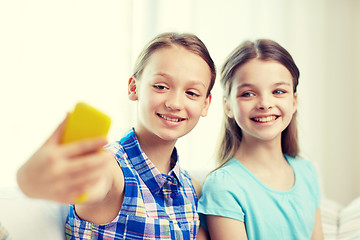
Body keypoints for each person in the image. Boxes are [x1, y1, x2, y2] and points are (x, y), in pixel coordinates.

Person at [17, 32, 216, 240]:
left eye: (192, 93)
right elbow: (87, 184)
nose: (175, 103)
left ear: (205, 104)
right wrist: (30, 179)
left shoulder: (192, 189)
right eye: (160, 86)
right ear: (133, 87)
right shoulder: (111, 170)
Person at [197, 39, 324, 239]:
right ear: (228, 106)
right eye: (248, 94)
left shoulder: (307, 173)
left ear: (294, 101)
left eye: (278, 91)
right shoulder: (223, 186)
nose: (265, 103)